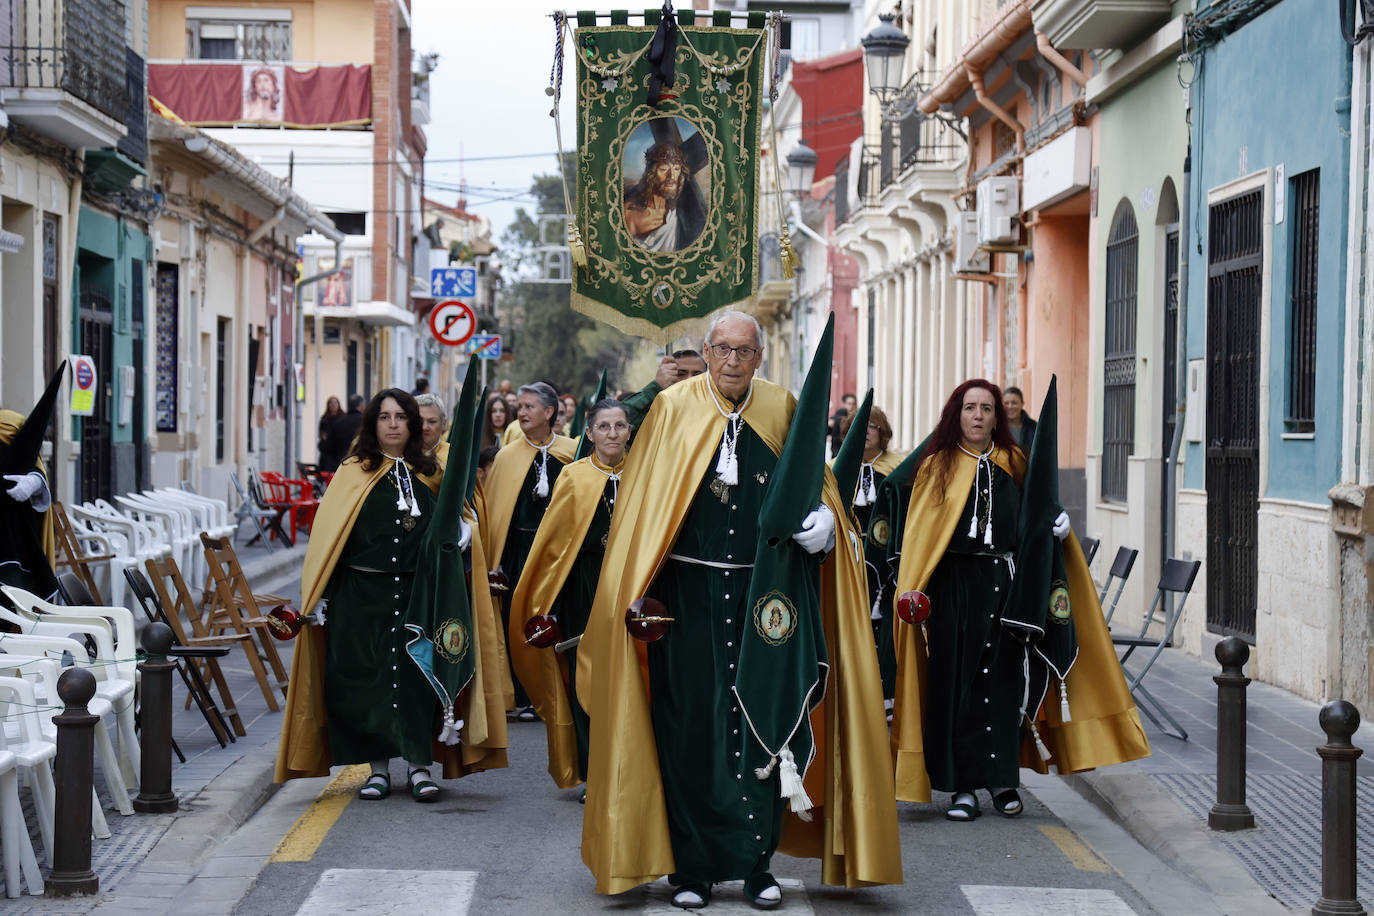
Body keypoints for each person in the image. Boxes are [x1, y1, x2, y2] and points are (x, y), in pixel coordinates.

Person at [577, 311, 901, 909]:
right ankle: (694, 869)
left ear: (759, 358)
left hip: (766, 605)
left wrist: (826, 526)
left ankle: (757, 866)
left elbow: (817, 487)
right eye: (723, 349)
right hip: (686, 603)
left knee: (766, 728)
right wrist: (637, 593)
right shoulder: (674, 408)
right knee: (689, 733)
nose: (732, 361)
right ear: (706, 351)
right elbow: (644, 510)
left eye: (745, 351)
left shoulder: (781, 408)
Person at [883, 380, 1147, 823]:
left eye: (987, 409)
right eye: (970, 408)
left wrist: (1054, 525)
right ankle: (963, 787)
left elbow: (1033, 518)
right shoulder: (937, 466)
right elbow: (919, 536)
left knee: (1005, 685)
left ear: (997, 417)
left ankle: (1004, 780)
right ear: (957, 414)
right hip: (953, 589)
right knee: (957, 688)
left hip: (1003, 588)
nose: (979, 416)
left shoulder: (1015, 462)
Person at [274, 389, 451, 801]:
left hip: (415, 594)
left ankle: (420, 766)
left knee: (416, 678)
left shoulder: (432, 471)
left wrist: (462, 533)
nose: (392, 424)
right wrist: (319, 595)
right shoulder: (353, 471)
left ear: (412, 424)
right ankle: (378, 769)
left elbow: (459, 519)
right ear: (372, 424)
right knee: (368, 682)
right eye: (384, 417)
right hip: (360, 595)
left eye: (401, 417)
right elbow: (330, 537)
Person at [508, 398, 630, 792]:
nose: (613, 433)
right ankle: (593, 771)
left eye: (620, 426)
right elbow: (555, 545)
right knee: (586, 678)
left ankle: (628, 769)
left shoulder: (646, 474)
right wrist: (549, 605)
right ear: (590, 433)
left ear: (630, 431)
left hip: (631, 586)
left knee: (632, 679)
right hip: (584, 587)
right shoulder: (575, 476)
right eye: (604, 426)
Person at [481, 382, 578, 720]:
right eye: (519, 407)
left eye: (529, 407)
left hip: (559, 551)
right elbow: (496, 512)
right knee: (518, 620)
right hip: (520, 549)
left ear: (549, 412)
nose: (521, 413)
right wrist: (495, 561)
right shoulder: (507, 456)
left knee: (557, 617)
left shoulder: (573, 451)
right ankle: (522, 696)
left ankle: (560, 690)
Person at [837, 405, 903, 709]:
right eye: (859, 426)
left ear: (883, 432)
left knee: (884, 627)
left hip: (884, 563)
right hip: (848, 560)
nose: (865, 433)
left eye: (872, 427)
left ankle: (885, 690)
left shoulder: (896, 468)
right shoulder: (838, 466)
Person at [623, 142, 704, 251]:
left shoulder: (677, 208)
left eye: (676, 169)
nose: (672, 176)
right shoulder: (629, 214)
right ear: (651, 173)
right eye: (664, 169)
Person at [416, 393, 448, 466]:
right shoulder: (399, 455)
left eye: (432, 422)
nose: (424, 427)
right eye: (419, 421)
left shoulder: (453, 456)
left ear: (443, 423)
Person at [1003, 386, 1037, 450]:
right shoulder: (996, 427)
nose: (1010, 406)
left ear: (1022, 404)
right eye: (1006, 403)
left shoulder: (1033, 427)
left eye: (1014, 403)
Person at [332, 395, 365, 460]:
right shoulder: (366, 422)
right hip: (361, 463)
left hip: (341, 463)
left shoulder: (338, 423)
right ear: (361, 406)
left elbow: (329, 447)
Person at [317, 396, 346, 473]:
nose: (333, 405)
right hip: (327, 454)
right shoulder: (324, 419)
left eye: (335, 402)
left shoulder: (343, 418)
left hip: (339, 453)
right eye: (331, 403)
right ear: (328, 405)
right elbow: (322, 436)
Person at [828, 393, 856, 459]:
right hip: (837, 454)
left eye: (853, 404)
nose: (851, 406)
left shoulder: (856, 417)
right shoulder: (837, 417)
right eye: (849, 404)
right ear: (844, 404)